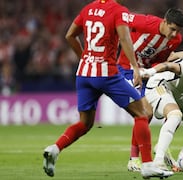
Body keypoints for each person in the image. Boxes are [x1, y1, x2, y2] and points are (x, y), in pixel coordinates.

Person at [42, 0, 173, 179]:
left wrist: (84, 58)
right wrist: (135, 67)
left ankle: (55, 149)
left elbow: (69, 36)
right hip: (107, 74)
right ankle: (148, 165)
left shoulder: (88, 9)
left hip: (84, 74)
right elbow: (125, 38)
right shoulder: (118, 11)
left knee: (84, 123)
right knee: (142, 114)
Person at [115, 8, 183, 171]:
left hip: (147, 73)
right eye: (172, 29)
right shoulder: (146, 22)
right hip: (126, 69)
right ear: (164, 22)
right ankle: (134, 159)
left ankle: (162, 148)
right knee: (144, 112)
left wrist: (176, 56)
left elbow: (159, 60)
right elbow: (119, 17)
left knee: (173, 111)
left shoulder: (175, 40)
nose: (174, 34)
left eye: (177, 31)